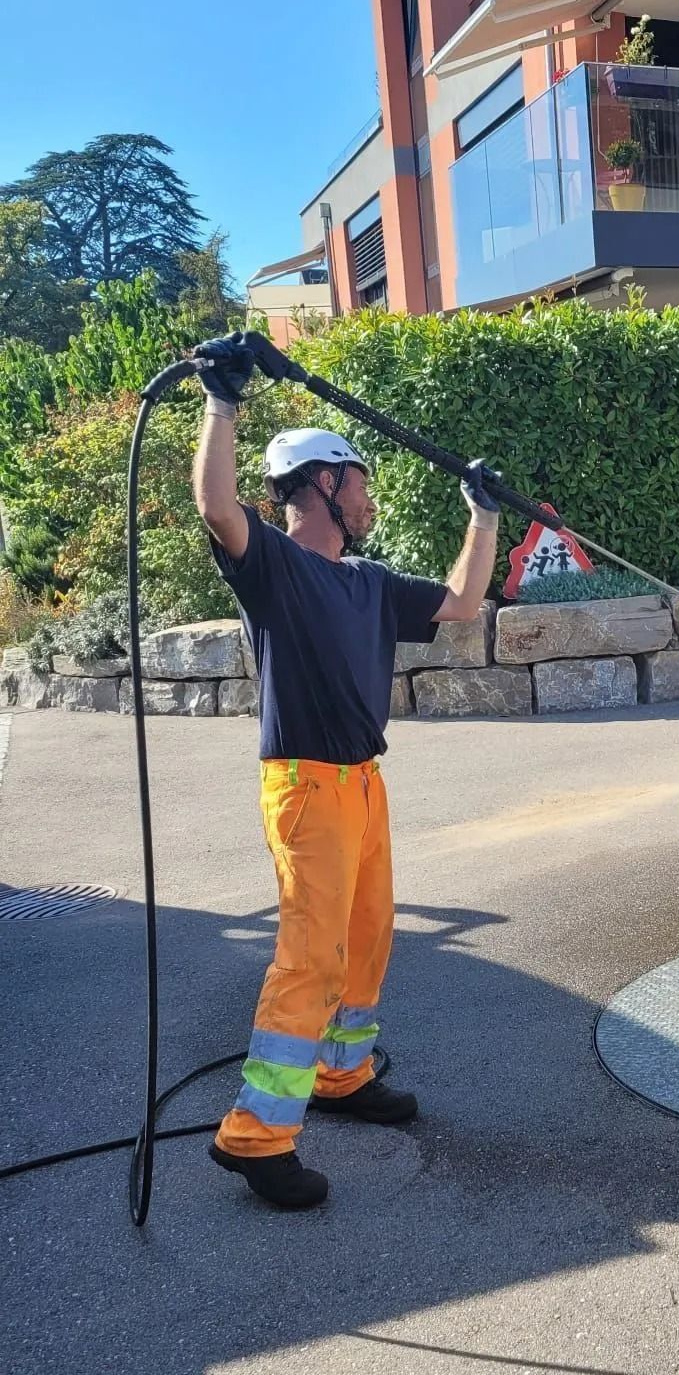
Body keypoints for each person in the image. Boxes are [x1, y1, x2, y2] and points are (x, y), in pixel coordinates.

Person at [189, 343, 500, 1209]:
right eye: (359, 481)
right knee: (311, 953)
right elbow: (217, 505)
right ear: (321, 485)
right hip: (305, 786)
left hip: (363, 783)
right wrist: (223, 401)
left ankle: (342, 1073)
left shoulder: (367, 581)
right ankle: (256, 1135)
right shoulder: (275, 570)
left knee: (366, 936)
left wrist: (484, 514)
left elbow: (462, 601)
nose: (369, 496)